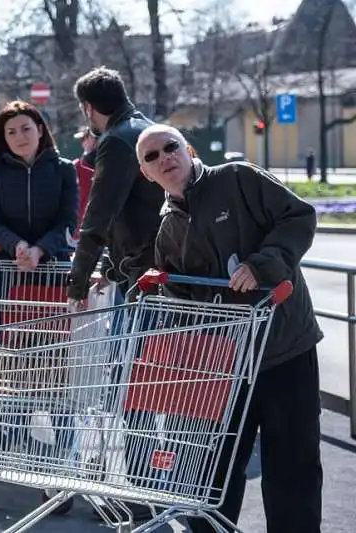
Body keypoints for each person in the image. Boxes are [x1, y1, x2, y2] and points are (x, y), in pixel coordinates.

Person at [136, 124, 323, 533]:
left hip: (282, 348)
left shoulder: (239, 179)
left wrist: (263, 265)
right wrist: (157, 290)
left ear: (187, 149)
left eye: (170, 148)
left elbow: (299, 216)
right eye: (151, 157)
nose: (164, 158)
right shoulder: (168, 227)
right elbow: (181, 296)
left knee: (292, 465)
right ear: (145, 173)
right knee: (212, 467)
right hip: (222, 364)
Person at [67, 67, 164, 302]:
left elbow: (99, 216)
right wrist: (110, 268)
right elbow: (134, 205)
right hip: (163, 261)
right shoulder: (150, 129)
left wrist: (76, 285)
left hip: (143, 271)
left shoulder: (116, 141)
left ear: (88, 108)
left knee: (136, 338)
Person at [0, 100, 78, 270]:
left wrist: (40, 250)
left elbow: (68, 221)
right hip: (6, 266)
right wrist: (17, 245)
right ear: (4, 137)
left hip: (54, 266)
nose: (20, 137)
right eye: (11, 132)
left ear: (40, 130)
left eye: (26, 129)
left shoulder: (64, 169)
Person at [73, 126, 97, 230]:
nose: (82, 143)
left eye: (84, 139)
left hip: (86, 225)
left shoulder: (78, 166)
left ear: (92, 138)